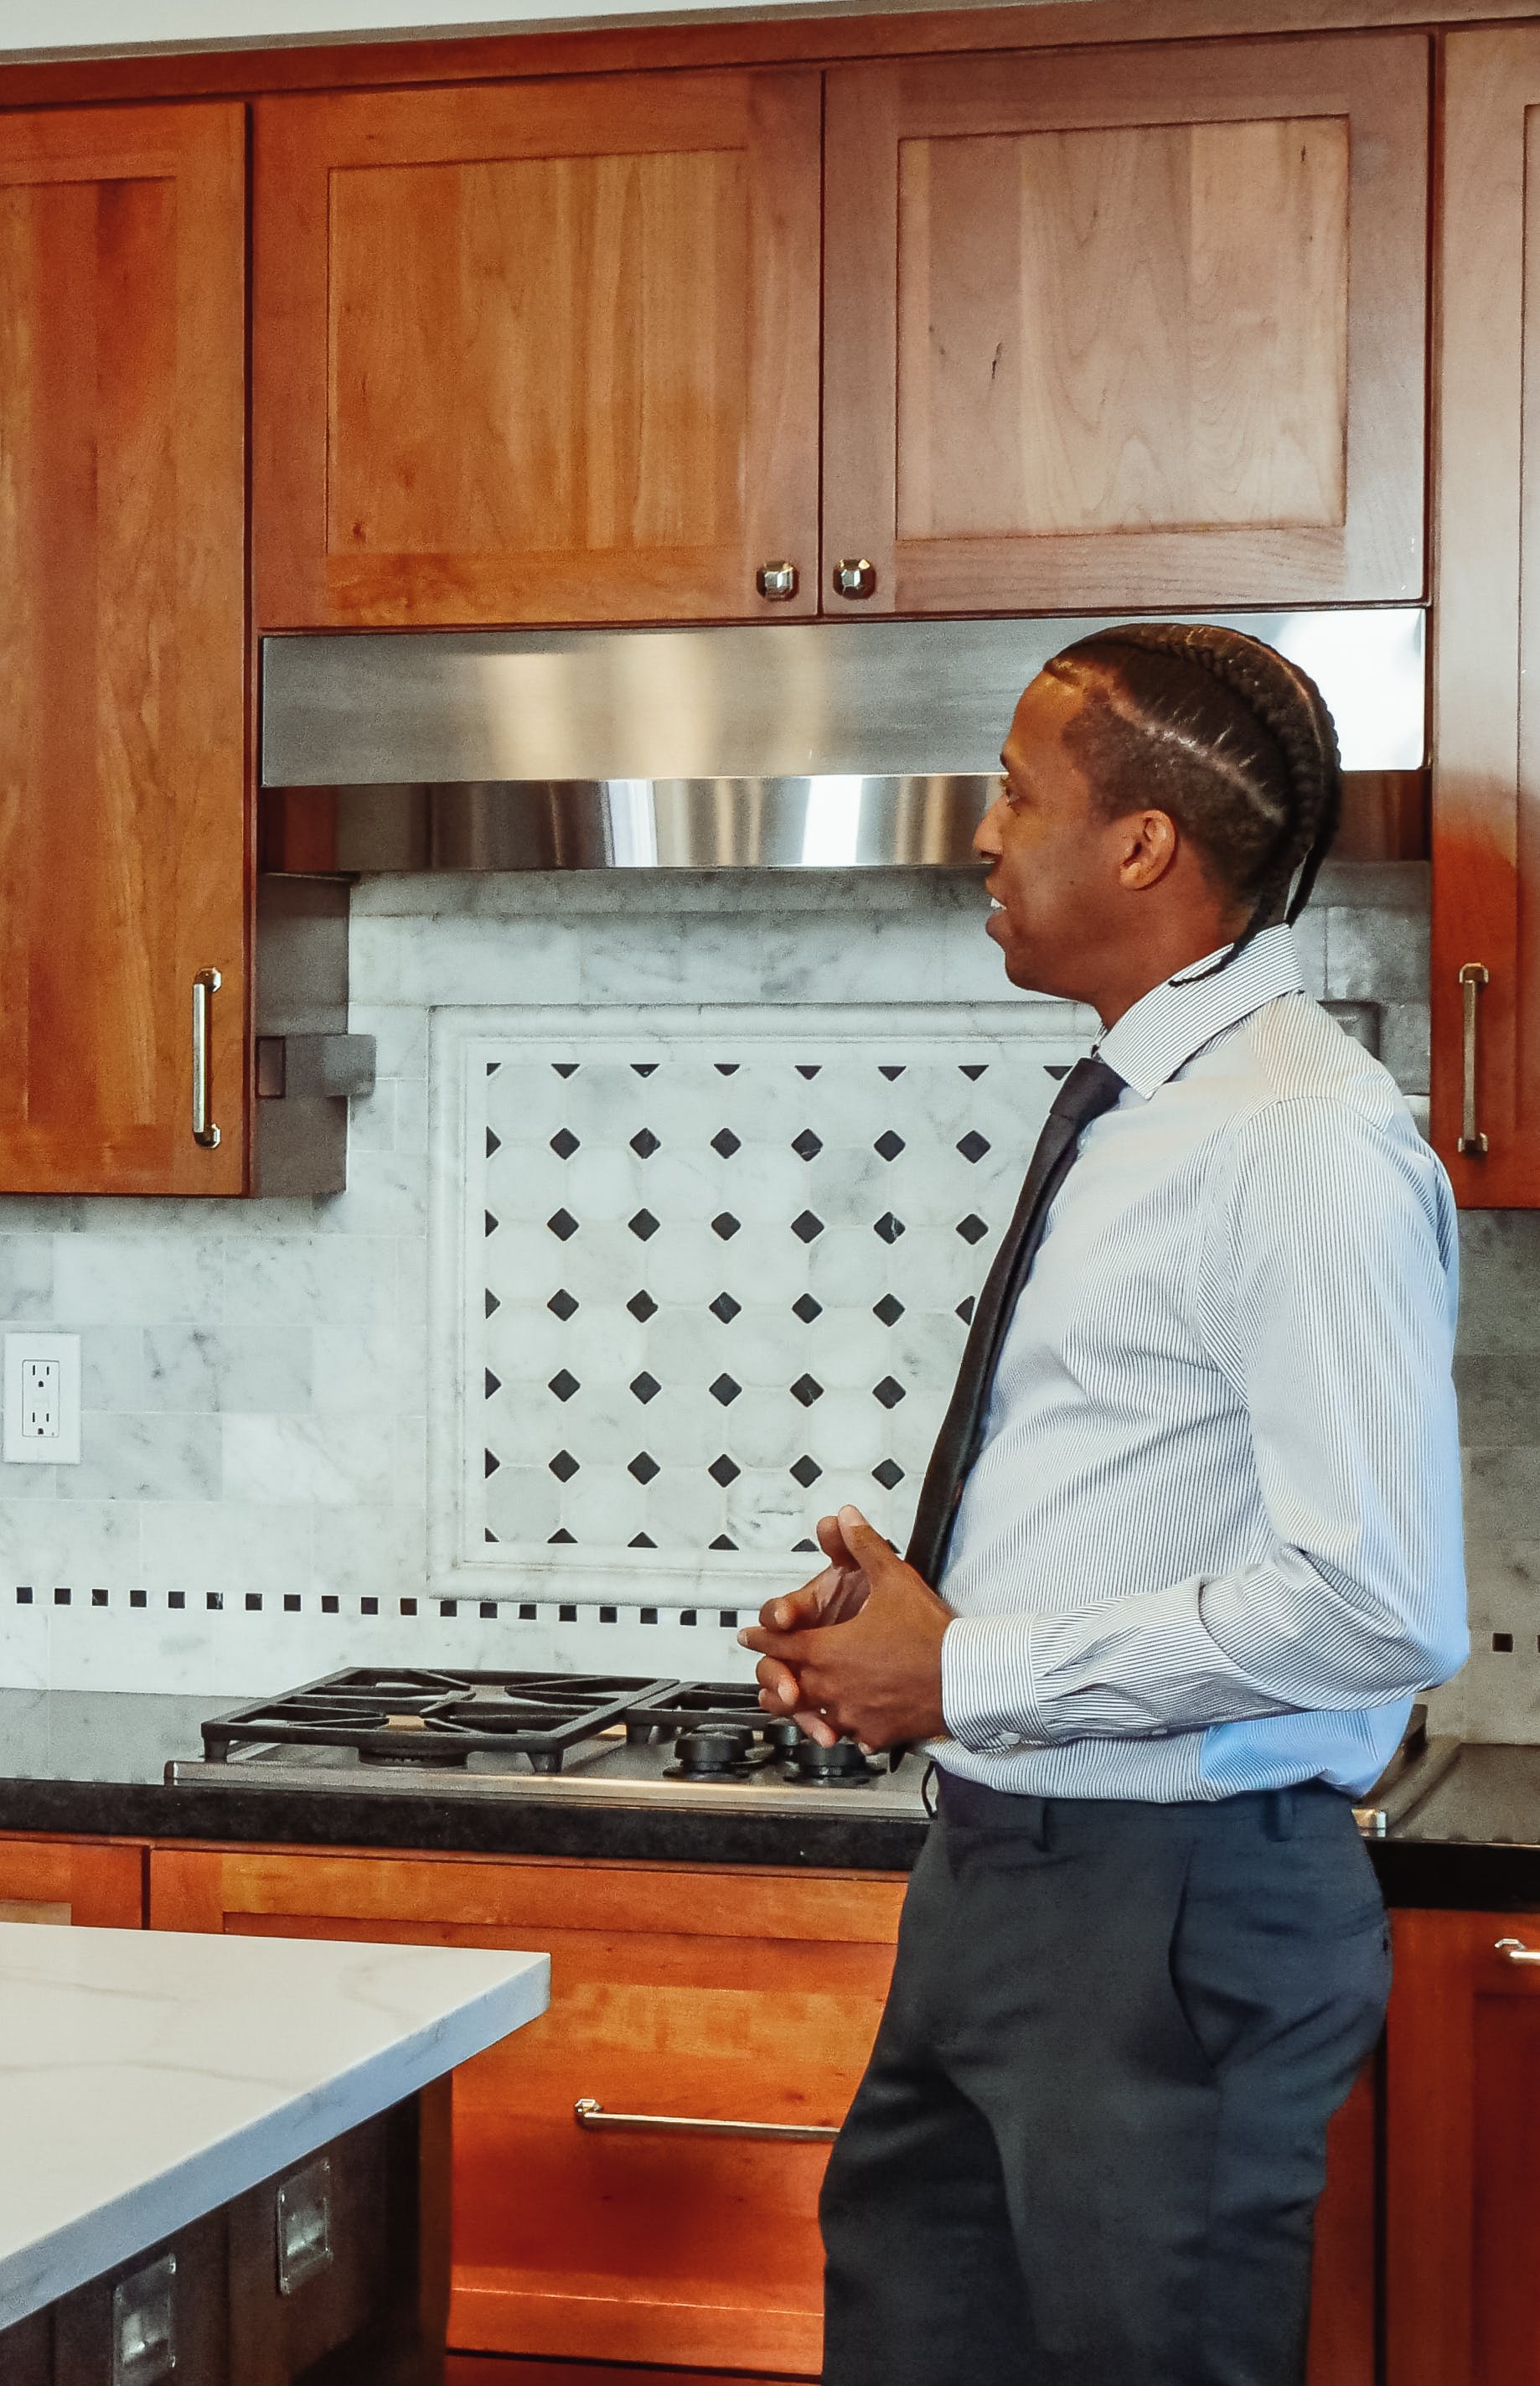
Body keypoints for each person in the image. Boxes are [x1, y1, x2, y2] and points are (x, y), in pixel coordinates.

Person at [741, 624, 1466, 2384]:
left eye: (1012, 792)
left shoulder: (1292, 1139)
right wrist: (900, 1645)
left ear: (1142, 843)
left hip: (1166, 1914)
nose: (980, 835)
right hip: (995, 1883)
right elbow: (1145, 1490)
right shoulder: (1148, 1109)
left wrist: (971, 1668)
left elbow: (1377, 1601)